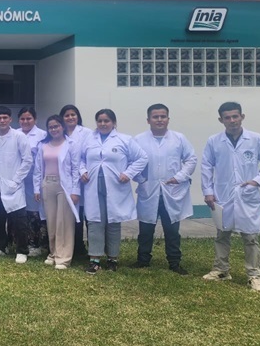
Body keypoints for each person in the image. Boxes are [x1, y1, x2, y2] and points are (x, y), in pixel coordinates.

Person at [201, 102, 260, 292]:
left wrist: (256, 181)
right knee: (222, 234)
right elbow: (206, 166)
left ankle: (254, 276)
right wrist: (208, 191)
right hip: (223, 195)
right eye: (227, 117)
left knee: (250, 237)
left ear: (242, 117)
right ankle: (221, 270)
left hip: (246, 195)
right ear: (221, 120)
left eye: (235, 116)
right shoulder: (214, 141)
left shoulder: (256, 139)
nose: (232, 120)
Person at [80, 109, 148, 275]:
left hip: (116, 187)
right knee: (95, 223)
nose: (103, 124)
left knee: (113, 223)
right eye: (100, 121)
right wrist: (82, 170)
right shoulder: (89, 139)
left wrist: (128, 173)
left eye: (107, 121)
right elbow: (80, 158)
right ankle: (95, 259)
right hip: (93, 187)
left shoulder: (124, 140)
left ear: (114, 123)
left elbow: (142, 158)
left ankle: (112, 259)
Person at [132, 104, 197, 274]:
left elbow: (191, 159)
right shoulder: (139, 139)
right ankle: (143, 260)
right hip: (149, 190)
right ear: (148, 120)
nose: (159, 120)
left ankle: (174, 262)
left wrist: (180, 177)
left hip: (171, 191)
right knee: (145, 230)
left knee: (172, 230)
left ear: (168, 119)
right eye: (155, 117)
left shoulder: (179, 138)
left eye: (163, 116)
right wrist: (141, 179)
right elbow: (130, 163)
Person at [0, 106, 33, 263]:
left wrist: (16, 180)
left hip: (14, 185)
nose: (2, 120)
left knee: (19, 220)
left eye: (5, 117)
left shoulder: (18, 136)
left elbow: (27, 160)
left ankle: (22, 250)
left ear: (10, 119)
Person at [33, 115, 80, 269]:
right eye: (51, 127)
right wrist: (36, 188)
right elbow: (38, 168)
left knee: (64, 222)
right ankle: (53, 253)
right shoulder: (43, 145)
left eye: (56, 126)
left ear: (63, 127)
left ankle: (64, 257)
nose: (54, 129)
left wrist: (75, 191)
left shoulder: (71, 144)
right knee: (51, 221)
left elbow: (75, 169)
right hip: (48, 184)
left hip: (64, 186)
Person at [60, 104, 90, 257]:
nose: (70, 118)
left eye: (73, 114)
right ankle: (76, 248)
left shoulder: (87, 133)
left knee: (88, 216)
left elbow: (88, 156)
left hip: (85, 180)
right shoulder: (59, 134)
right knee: (71, 217)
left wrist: (82, 170)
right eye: (67, 115)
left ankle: (91, 251)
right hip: (66, 181)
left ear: (78, 116)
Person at [17, 107, 47, 257]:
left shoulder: (42, 135)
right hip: (17, 180)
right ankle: (18, 242)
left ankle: (36, 244)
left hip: (34, 180)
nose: (25, 121)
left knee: (35, 213)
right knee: (19, 212)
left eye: (28, 118)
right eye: (22, 119)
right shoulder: (14, 134)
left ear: (35, 119)